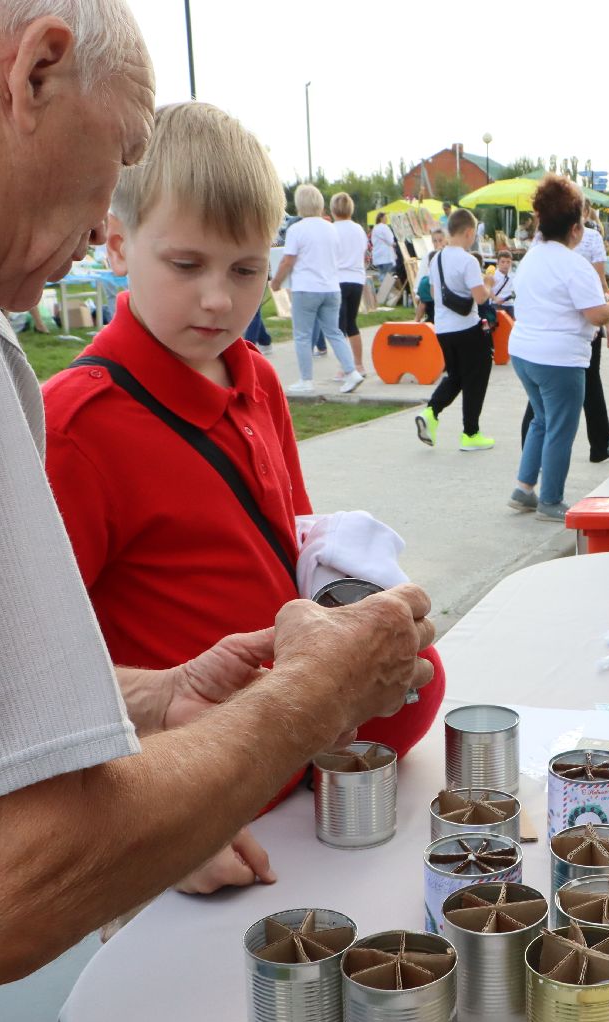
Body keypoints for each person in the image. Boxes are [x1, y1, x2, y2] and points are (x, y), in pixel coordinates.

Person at [0, 0, 433, 1022]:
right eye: (121, 155)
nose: (97, 231)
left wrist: (139, 700)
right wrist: (313, 695)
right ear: (38, 66)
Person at [42, 102, 446, 895]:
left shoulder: (257, 378)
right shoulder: (76, 426)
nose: (220, 302)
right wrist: (147, 837)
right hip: (188, 809)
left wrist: (355, 614)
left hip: (295, 781)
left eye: (246, 271)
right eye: (186, 266)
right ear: (119, 246)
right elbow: (38, 674)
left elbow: (290, 550)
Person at [506, 176, 609, 519]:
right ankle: (550, 500)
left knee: (542, 420)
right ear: (575, 228)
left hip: (523, 353)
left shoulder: (532, 257)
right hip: (560, 359)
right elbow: (596, 313)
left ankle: (523, 487)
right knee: (560, 427)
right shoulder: (575, 266)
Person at [520, 214, 609, 462]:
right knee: (569, 412)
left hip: (535, 335)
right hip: (570, 336)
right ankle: (598, 448)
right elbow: (600, 288)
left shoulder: (537, 247)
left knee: (540, 403)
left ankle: (529, 468)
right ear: (575, 227)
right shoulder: (583, 249)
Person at [415, 209, 495, 451]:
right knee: (477, 375)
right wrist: (489, 284)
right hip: (467, 327)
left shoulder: (436, 258)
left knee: (456, 376)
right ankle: (470, 433)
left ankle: (431, 412)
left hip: (443, 329)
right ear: (469, 232)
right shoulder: (468, 260)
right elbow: (480, 299)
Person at [271, 185, 361, 394]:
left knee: (302, 335)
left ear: (300, 204)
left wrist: (276, 282)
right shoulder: (331, 228)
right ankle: (352, 371)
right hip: (331, 287)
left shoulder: (297, 229)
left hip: (306, 288)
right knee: (335, 332)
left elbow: (288, 260)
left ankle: (306, 379)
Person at [331, 191, 370, 382]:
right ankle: (359, 364)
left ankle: (345, 367)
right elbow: (363, 251)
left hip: (338, 279)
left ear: (333, 209)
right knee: (352, 323)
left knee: (339, 327)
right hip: (357, 278)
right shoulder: (358, 229)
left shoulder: (332, 229)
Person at [414, 227, 447, 323]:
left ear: (446, 240)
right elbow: (422, 274)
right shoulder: (429, 256)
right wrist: (417, 292)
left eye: (440, 240)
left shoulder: (448, 254)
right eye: (435, 241)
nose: (437, 243)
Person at [371, 213, 400, 299]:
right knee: (387, 276)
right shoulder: (384, 227)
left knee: (382, 274)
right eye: (385, 217)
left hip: (378, 255)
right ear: (381, 218)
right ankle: (384, 294)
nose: (386, 219)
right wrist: (395, 244)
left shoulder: (375, 228)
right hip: (386, 255)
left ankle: (381, 294)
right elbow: (390, 240)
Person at [489, 248, 517, 315]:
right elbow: (487, 289)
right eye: (503, 262)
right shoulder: (493, 275)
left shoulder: (513, 275)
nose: (505, 264)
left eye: (508, 262)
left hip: (510, 304)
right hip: (496, 304)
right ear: (497, 262)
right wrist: (495, 298)